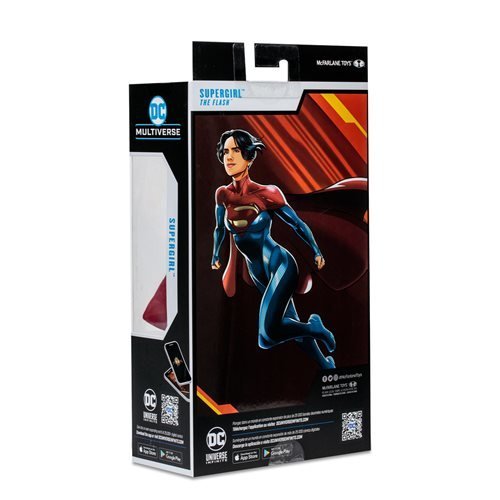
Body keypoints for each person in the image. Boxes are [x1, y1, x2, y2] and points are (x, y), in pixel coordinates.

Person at [211, 129, 336, 369]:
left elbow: (297, 224)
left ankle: (315, 328)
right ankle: (325, 365)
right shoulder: (223, 194)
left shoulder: (267, 193)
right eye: (225, 151)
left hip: (279, 264)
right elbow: (219, 228)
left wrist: (316, 250)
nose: (229, 157)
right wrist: (216, 253)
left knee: (267, 335)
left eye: (236, 151)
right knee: (288, 323)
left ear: (249, 157)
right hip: (258, 271)